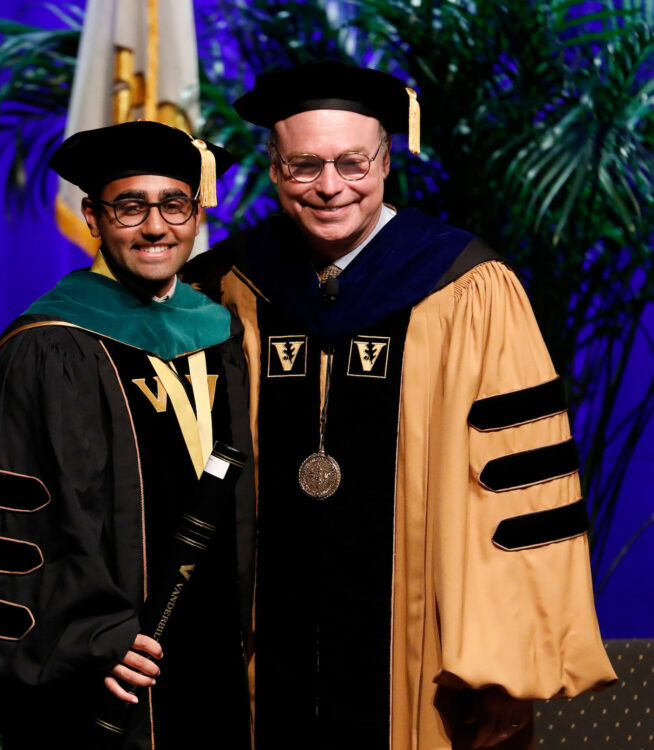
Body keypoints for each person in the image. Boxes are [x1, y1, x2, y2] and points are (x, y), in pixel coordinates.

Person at [184, 61, 616, 750]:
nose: (330, 187)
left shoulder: (468, 289)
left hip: (423, 668)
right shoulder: (226, 285)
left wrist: (503, 667)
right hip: (256, 669)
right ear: (272, 169)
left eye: (353, 162)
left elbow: (517, 492)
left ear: (388, 161)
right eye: (303, 166)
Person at [0, 120, 254, 749]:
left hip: (216, 660)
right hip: (100, 673)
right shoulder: (48, 348)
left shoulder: (222, 334)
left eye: (174, 204)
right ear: (94, 216)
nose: (156, 227)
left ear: (196, 213)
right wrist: (95, 637)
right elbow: (6, 529)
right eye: (131, 207)